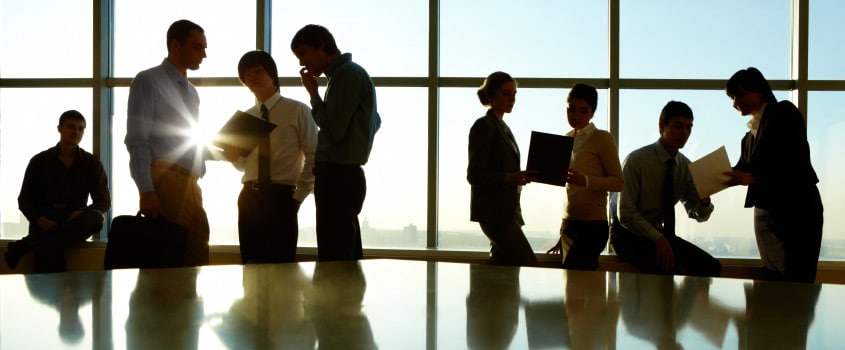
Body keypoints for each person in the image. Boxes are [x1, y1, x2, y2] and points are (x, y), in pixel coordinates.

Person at [724, 67, 823, 283]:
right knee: (775, 275)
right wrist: (708, 180)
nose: (735, 102)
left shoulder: (784, 112)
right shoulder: (748, 138)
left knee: (797, 278)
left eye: (740, 94)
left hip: (796, 209)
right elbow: (740, 171)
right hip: (766, 212)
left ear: (759, 91)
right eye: (732, 97)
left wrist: (754, 179)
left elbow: (795, 159)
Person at [290, 24, 381, 261]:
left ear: (321, 46)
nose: (302, 62)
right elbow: (375, 121)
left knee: (335, 255)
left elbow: (333, 130)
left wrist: (313, 95)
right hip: (345, 176)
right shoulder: (350, 75)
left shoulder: (345, 75)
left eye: (303, 53)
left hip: (337, 177)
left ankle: (339, 300)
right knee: (344, 250)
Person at [125, 19, 210, 267]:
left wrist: (225, 152)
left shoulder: (192, 92)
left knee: (196, 256)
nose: (204, 54)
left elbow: (187, 140)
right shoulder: (149, 81)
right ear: (176, 44)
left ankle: (187, 307)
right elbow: (137, 139)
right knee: (169, 260)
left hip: (191, 183)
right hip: (167, 180)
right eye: (197, 47)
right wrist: (146, 190)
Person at [223, 50, 318, 264]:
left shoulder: (297, 110)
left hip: (282, 197)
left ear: (272, 74)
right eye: (247, 75)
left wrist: (298, 197)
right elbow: (244, 165)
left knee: (281, 268)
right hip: (249, 197)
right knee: (251, 267)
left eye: (258, 71)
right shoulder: (246, 118)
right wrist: (234, 158)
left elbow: (314, 157)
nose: (253, 77)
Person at [609, 101, 721, 277]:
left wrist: (704, 201)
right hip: (626, 233)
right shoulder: (635, 161)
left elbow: (698, 214)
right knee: (665, 269)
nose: (684, 133)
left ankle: (683, 305)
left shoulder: (685, 166)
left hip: (658, 233)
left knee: (711, 267)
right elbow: (626, 214)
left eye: (689, 127)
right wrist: (659, 239)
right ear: (661, 126)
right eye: (678, 126)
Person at [5, 110, 110, 273]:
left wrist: (82, 212)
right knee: (50, 254)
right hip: (44, 222)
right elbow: (24, 200)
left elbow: (103, 202)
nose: (76, 132)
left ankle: (28, 243)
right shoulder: (39, 161)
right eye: (71, 127)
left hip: (74, 223)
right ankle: (39, 241)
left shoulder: (91, 164)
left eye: (80, 128)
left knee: (96, 218)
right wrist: (39, 219)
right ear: (59, 128)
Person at [547, 83, 623, 270]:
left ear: (592, 112)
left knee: (578, 284)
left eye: (583, 111)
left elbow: (618, 182)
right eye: (571, 109)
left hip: (592, 226)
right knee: (573, 290)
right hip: (568, 223)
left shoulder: (601, 138)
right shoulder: (566, 138)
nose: (576, 116)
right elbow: (570, 190)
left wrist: (586, 180)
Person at [467, 71, 538, 266]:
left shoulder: (503, 128)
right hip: (495, 214)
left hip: (507, 212)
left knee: (504, 270)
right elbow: (474, 174)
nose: (512, 99)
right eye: (506, 93)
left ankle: (484, 296)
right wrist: (509, 177)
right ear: (490, 95)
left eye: (514, 94)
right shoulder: (484, 126)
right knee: (528, 263)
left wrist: (518, 177)